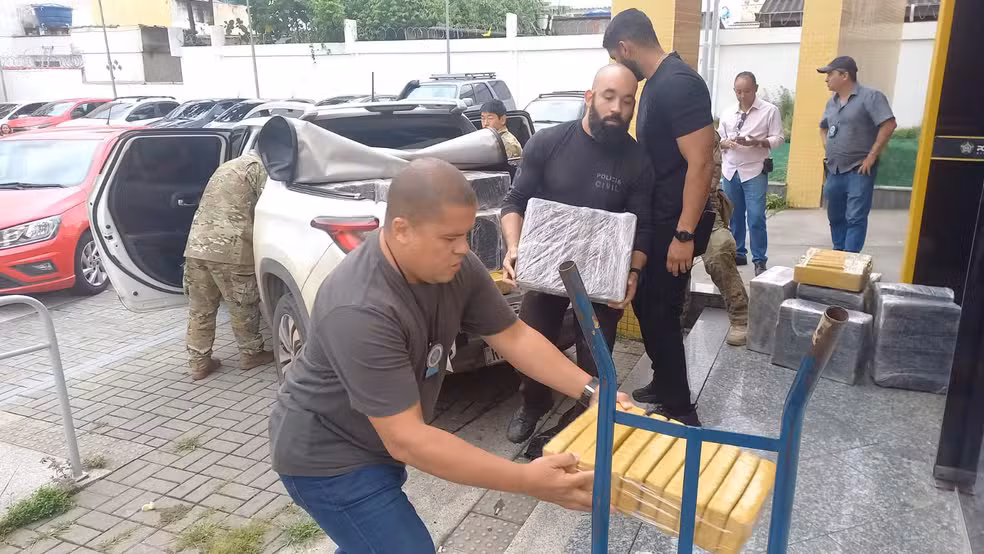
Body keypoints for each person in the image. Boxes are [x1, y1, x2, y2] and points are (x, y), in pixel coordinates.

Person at [269, 158, 633, 553]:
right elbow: (408, 440)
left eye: (467, 233)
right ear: (401, 230)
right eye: (449, 238)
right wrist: (527, 480)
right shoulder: (360, 308)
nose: (464, 248)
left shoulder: (454, 265)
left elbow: (513, 336)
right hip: (328, 457)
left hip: (377, 443)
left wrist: (594, 390)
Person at [499, 64, 655, 443]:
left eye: (627, 100)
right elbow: (514, 202)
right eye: (609, 97)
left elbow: (643, 228)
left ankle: (583, 418)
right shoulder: (548, 143)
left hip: (603, 279)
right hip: (544, 270)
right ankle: (533, 402)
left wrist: (632, 273)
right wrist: (515, 248)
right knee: (531, 342)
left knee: (595, 357)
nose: (618, 107)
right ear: (590, 97)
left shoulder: (637, 161)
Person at [604, 8, 716, 426]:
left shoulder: (678, 85)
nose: (618, 66)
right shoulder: (658, 84)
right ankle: (664, 379)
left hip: (675, 225)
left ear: (625, 47)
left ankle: (681, 409)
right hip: (660, 220)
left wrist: (684, 233)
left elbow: (700, 163)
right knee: (650, 308)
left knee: (660, 312)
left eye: (617, 58)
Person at [183, 151, 273, 380]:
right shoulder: (260, 168)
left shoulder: (228, 166)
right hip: (231, 249)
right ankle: (251, 353)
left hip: (197, 246)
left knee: (200, 308)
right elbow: (269, 209)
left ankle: (199, 362)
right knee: (242, 303)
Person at [818, 55, 897, 252]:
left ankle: (850, 259)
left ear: (844, 76)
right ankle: (839, 253)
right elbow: (823, 128)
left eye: (830, 74)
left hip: (858, 169)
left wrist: (872, 156)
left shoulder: (870, 97)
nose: (826, 79)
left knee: (855, 217)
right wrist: (827, 147)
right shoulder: (832, 103)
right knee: (835, 215)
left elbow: (889, 124)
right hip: (834, 169)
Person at [683, 130, 750, 346]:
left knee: (720, 249)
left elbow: (709, 179)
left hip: (705, 208)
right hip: (668, 211)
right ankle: (676, 320)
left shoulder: (706, 134)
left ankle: (740, 317)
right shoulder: (658, 128)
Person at [718, 71, 784, 276]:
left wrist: (758, 142)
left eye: (746, 91)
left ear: (755, 88)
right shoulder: (728, 112)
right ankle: (738, 252)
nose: (742, 96)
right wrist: (724, 143)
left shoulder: (769, 111)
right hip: (731, 169)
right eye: (738, 91)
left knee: (755, 216)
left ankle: (759, 259)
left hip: (754, 168)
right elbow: (718, 138)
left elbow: (779, 138)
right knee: (734, 215)